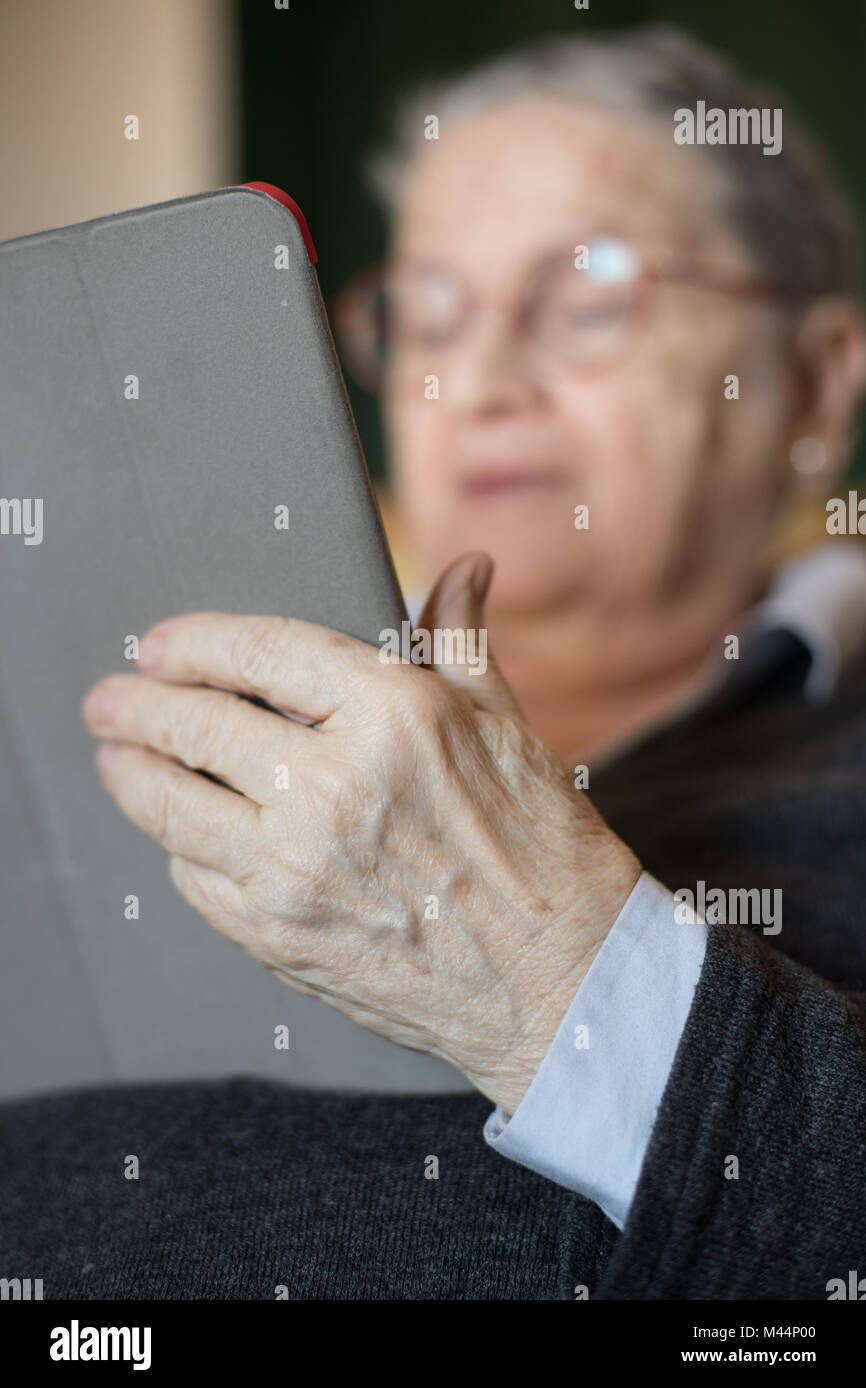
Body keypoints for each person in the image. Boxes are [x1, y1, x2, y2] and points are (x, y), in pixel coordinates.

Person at [3, 24, 866, 1300]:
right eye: (426, 313)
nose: (479, 379)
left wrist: (552, 965)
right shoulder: (197, 675)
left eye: (589, 295)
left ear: (810, 385)